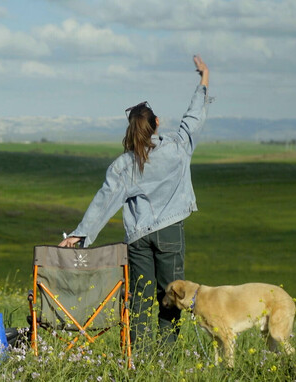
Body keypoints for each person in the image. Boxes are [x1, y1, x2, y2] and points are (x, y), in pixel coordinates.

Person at [59, 55, 211, 351]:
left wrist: (80, 234)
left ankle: (138, 356)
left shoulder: (124, 164)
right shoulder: (179, 148)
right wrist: (204, 78)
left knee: (139, 298)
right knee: (172, 296)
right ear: (156, 124)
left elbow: (104, 201)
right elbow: (195, 116)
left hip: (138, 238)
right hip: (169, 233)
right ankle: (165, 359)